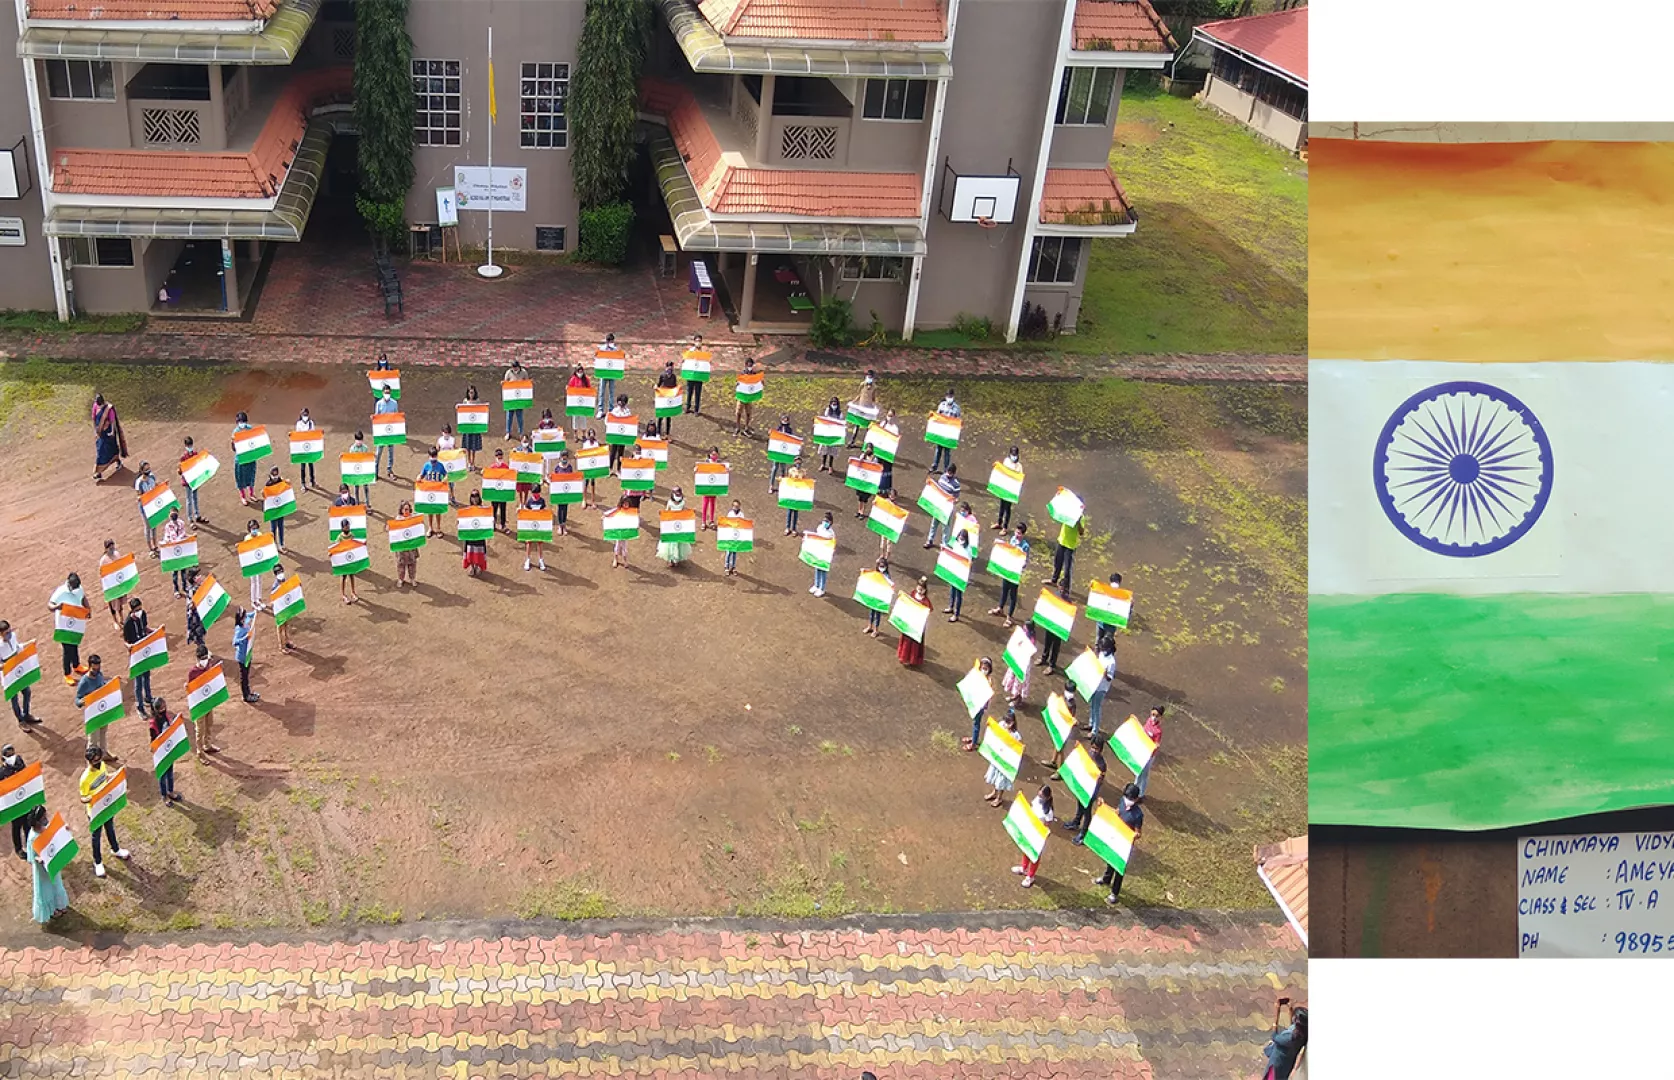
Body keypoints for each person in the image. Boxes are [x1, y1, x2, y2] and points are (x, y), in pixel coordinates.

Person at [78, 745, 130, 880]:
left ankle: (115, 849)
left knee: (110, 828)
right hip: (94, 810)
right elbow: (82, 798)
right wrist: (90, 798)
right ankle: (98, 862)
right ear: (89, 761)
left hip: (106, 805)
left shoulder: (101, 766)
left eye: (99, 759)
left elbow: (105, 777)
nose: (99, 762)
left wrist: (117, 774)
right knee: (96, 836)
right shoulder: (84, 779)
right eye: (96, 760)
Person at [1092, 783, 1145, 904]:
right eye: (1126, 797)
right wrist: (1104, 806)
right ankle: (1106, 879)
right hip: (1115, 838)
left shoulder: (1138, 815)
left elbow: (1138, 832)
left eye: (1130, 798)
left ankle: (1114, 893)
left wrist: (1135, 835)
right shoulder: (1122, 801)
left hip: (1124, 845)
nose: (1127, 800)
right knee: (1110, 860)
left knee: (1119, 869)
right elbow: (1116, 812)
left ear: (1136, 799)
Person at [24, 805, 70, 924]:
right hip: (41, 869)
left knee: (56, 883)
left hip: (51, 863)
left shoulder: (46, 827)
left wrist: (64, 829)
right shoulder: (32, 837)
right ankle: (51, 910)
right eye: (43, 817)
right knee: (46, 889)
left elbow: (55, 833)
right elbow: (31, 855)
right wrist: (38, 858)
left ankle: (59, 904)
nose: (46, 818)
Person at [1063, 734, 1108, 841]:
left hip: (1091, 791)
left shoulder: (1101, 764)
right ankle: (1076, 822)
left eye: (1096, 748)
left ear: (1101, 750)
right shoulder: (1088, 755)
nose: (1093, 750)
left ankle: (1083, 833)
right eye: (1092, 747)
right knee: (1079, 806)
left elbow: (1100, 781)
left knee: (1087, 812)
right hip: (1082, 785)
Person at [1011, 785, 1055, 888]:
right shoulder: (1036, 800)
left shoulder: (1048, 811)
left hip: (1038, 834)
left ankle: (1030, 876)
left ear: (1047, 797)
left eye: (1042, 796)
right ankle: (1023, 868)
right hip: (1030, 829)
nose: (1039, 798)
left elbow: (1047, 825)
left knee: (1035, 855)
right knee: (1026, 849)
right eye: (1039, 795)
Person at [989, 523, 1031, 626]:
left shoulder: (1025, 546)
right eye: (1016, 532)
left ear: (1023, 534)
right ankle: (1000, 608)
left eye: (1019, 533)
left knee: (1013, 594)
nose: (1017, 534)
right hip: (1008, 569)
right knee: (1004, 590)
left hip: (1015, 572)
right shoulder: (1012, 539)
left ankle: (1010, 617)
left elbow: (1025, 560)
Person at [49, 572, 86, 683]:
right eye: (74, 586)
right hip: (64, 625)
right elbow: (49, 605)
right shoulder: (60, 592)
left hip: (75, 622)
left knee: (74, 644)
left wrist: (88, 608)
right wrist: (57, 607)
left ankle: (76, 665)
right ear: (69, 584)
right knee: (67, 650)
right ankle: (67, 673)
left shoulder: (79, 588)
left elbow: (83, 598)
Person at [0, 625, 41, 728]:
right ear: (1, 634)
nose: (9, 634)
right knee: (14, 699)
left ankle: (26, 714)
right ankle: (20, 720)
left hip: (18, 670)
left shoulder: (13, 636)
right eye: (6, 633)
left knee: (27, 692)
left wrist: (29, 643)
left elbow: (18, 647)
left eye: (10, 631)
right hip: (9, 676)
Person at [981, 706, 1020, 805]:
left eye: (1009, 722)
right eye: (1006, 721)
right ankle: (994, 793)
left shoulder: (1015, 735)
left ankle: (999, 798)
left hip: (1006, 760)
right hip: (998, 756)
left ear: (1013, 723)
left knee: (1001, 779)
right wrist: (989, 726)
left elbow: (1017, 748)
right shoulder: (1001, 725)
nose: (1006, 724)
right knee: (994, 776)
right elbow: (994, 731)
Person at [147, 699, 183, 803]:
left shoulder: (166, 716)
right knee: (163, 775)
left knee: (170, 773)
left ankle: (170, 791)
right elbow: (153, 740)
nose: (163, 709)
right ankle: (164, 795)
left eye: (164, 707)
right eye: (161, 708)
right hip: (160, 751)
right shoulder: (153, 724)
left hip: (168, 748)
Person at [120, 598, 153, 711]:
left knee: (147, 676)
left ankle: (148, 698)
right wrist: (128, 646)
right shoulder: (128, 623)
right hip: (135, 653)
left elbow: (145, 628)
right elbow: (125, 641)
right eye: (137, 609)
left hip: (144, 650)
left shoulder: (142, 615)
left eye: (140, 608)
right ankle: (140, 707)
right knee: (138, 681)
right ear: (132, 611)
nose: (140, 611)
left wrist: (155, 632)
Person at [188, 644, 220, 761]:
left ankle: (207, 745)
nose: (204, 660)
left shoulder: (209, 666)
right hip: (199, 705)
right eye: (202, 658)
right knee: (199, 730)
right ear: (197, 658)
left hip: (208, 702)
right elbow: (191, 689)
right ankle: (200, 751)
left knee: (209, 725)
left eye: (206, 657)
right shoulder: (192, 672)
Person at [91, 392, 128, 483]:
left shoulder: (108, 409)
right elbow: (94, 418)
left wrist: (112, 431)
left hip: (108, 433)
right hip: (101, 434)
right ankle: (99, 471)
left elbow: (112, 421)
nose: (98, 404)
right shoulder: (95, 406)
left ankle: (117, 461)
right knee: (100, 451)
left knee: (112, 449)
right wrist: (95, 430)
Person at [1262, 1006, 1307, 1080]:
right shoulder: (1302, 1035)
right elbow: (1293, 1028)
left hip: (1276, 1065)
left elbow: (1274, 1036)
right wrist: (1290, 1009)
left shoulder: (1289, 1037)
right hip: (1287, 1065)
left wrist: (1277, 1013)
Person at [922, 464, 961, 549]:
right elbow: (937, 489)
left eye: (950, 473)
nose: (948, 474)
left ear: (953, 473)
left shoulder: (956, 484)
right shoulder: (942, 477)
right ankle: (930, 540)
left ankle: (945, 544)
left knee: (946, 527)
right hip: (939, 505)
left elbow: (956, 498)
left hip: (947, 508)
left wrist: (952, 500)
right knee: (934, 524)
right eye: (947, 472)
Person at [653, 487, 693, 568]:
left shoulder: (682, 503)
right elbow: (667, 511)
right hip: (671, 525)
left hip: (679, 525)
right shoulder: (670, 502)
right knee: (671, 543)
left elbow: (684, 512)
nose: (678, 495)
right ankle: (671, 559)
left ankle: (677, 559)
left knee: (678, 542)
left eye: (679, 494)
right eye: (676, 494)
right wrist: (663, 514)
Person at [2, 745, 32, 853]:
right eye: (9, 755)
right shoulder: (2, 772)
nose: (12, 756)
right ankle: (18, 849)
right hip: (13, 804)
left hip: (23, 799)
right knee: (16, 827)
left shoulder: (19, 762)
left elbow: (25, 774)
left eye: (12, 753)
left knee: (27, 824)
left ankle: (30, 845)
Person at [943, 518, 973, 623]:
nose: (960, 539)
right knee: (952, 591)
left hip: (961, 573)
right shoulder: (956, 544)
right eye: (960, 537)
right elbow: (952, 553)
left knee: (959, 594)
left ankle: (956, 613)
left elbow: (969, 562)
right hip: (954, 571)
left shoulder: (968, 549)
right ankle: (950, 606)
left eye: (962, 538)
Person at [1087, 639, 1117, 739]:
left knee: (1097, 708)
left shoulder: (1111, 662)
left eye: (1103, 648)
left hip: (1102, 687)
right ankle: (1091, 723)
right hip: (1094, 683)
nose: (1102, 649)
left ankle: (1095, 730)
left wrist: (1105, 674)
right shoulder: (1101, 654)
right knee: (1092, 705)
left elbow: (1109, 678)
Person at [1038, 585, 1071, 673]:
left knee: (1055, 647)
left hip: (1059, 627)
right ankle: (1043, 658)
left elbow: (1069, 615)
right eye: (1061, 588)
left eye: (1064, 589)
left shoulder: (1068, 601)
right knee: (1047, 643)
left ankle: (1052, 665)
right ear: (1059, 587)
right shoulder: (1054, 595)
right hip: (1051, 624)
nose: (1062, 590)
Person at [897, 577, 929, 668]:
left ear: (925, 590)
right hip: (910, 621)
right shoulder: (913, 594)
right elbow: (908, 602)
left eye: (921, 589)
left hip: (917, 624)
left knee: (914, 643)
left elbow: (926, 612)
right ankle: (904, 657)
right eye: (918, 588)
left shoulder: (925, 601)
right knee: (907, 640)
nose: (919, 591)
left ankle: (912, 659)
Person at [1050, 511, 1085, 589]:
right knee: (1057, 562)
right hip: (1061, 540)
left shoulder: (1081, 518)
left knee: (1067, 568)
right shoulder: (1068, 512)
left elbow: (1081, 532)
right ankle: (1054, 581)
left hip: (1070, 545)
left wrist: (1078, 522)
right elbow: (1060, 518)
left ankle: (1066, 587)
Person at [96, 539, 126, 629]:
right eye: (110, 547)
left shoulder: (117, 554)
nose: (112, 548)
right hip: (110, 585)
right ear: (106, 548)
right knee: (112, 603)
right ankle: (115, 621)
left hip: (118, 583)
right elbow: (103, 573)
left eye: (113, 546)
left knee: (120, 602)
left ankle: (121, 618)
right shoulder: (103, 560)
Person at [177, 436, 208, 525]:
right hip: (187, 481)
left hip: (194, 480)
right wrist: (181, 469)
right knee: (189, 500)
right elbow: (180, 471)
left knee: (195, 498)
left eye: (191, 445)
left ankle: (197, 516)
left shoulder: (195, 454)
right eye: (188, 445)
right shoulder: (183, 457)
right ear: (185, 445)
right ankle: (190, 519)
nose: (190, 447)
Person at [418, 448, 448, 538]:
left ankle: (438, 528)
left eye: (434, 456)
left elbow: (446, 474)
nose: (433, 458)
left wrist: (445, 479)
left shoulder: (440, 466)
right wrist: (419, 477)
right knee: (429, 510)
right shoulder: (426, 465)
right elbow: (422, 475)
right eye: (431, 456)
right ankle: (430, 527)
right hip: (429, 491)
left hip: (438, 491)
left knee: (437, 510)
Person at [1002, 623, 1034, 707]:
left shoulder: (1031, 639)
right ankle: (1013, 696)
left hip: (1023, 664)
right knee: (1013, 679)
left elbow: (1028, 650)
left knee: (1019, 682)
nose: (1024, 629)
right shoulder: (1022, 635)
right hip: (1017, 660)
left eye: (1026, 628)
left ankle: (1018, 699)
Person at [132, 462, 161, 556]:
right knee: (148, 526)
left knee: (154, 525)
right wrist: (143, 497)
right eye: (146, 469)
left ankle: (155, 545)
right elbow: (138, 495)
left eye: (149, 468)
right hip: (145, 507)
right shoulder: (139, 482)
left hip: (153, 505)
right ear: (141, 471)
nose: (148, 470)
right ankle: (150, 548)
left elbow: (156, 486)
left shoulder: (152, 477)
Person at [930, 388, 962, 472]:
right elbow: (937, 415)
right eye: (948, 396)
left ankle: (946, 469)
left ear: (953, 396)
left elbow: (958, 420)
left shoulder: (957, 408)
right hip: (941, 431)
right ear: (946, 396)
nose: (949, 397)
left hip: (950, 433)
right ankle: (934, 466)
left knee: (947, 452)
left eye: (951, 396)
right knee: (938, 450)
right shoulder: (942, 405)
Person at [160, 510, 190, 597]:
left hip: (181, 550)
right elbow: (166, 536)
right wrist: (167, 542)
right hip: (173, 552)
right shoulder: (168, 526)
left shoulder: (181, 523)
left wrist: (190, 537)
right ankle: (176, 589)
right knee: (175, 573)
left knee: (184, 571)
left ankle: (185, 587)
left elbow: (183, 534)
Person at [231, 607, 259, 703]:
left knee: (246, 676)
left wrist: (255, 611)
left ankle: (248, 693)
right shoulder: (239, 629)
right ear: (241, 618)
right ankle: (246, 696)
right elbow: (235, 642)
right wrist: (245, 637)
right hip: (242, 657)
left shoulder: (245, 621)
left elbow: (250, 615)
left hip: (247, 654)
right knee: (244, 677)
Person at [1136, 705, 1164, 798]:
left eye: (1156, 716)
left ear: (1160, 717)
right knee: (1138, 771)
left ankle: (1141, 794)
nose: (1154, 717)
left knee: (1144, 774)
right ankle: (1135, 788)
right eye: (1152, 714)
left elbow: (1156, 744)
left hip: (1149, 755)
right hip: (1141, 750)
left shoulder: (1158, 731)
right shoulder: (1148, 721)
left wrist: (1155, 746)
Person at [373, 387, 401, 478]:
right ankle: (375, 472)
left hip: (390, 431)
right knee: (378, 453)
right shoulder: (379, 404)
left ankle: (389, 470)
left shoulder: (394, 403)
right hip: (381, 432)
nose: (387, 394)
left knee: (391, 452)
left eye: (388, 392)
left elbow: (397, 416)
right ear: (382, 393)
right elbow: (376, 417)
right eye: (385, 392)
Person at [231, 411, 258, 504]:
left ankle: (251, 494)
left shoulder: (250, 428)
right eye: (240, 421)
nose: (242, 423)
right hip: (240, 458)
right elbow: (233, 448)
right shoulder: (235, 432)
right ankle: (243, 496)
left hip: (250, 457)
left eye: (243, 421)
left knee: (251, 476)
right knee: (240, 477)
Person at [862, 556, 893, 637]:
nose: (881, 568)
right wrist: (864, 571)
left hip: (880, 598)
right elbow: (871, 573)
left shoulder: (887, 576)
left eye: (883, 566)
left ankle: (876, 629)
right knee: (871, 612)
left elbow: (890, 585)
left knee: (878, 614)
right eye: (880, 566)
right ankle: (869, 626)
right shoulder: (876, 573)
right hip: (874, 596)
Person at [263, 466, 292, 552]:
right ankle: (274, 543)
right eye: (273, 474)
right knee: (273, 527)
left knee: (281, 526)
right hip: (273, 509)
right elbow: (264, 494)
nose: (275, 477)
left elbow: (288, 485)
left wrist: (287, 482)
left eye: (276, 474)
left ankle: (282, 543)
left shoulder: (280, 480)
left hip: (280, 508)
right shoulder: (268, 484)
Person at [846, 370, 877, 448]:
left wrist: (874, 407)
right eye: (868, 375)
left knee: (868, 426)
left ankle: (866, 444)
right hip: (861, 407)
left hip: (869, 409)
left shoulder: (874, 387)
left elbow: (873, 398)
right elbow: (859, 395)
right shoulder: (862, 385)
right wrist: (853, 402)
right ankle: (852, 441)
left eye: (871, 376)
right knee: (857, 424)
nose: (869, 377)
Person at [242, 519, 268, 611]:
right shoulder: (247, 538)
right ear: (249, 529)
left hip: (259, 561)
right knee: (253, 582)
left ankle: (259, 599)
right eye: (253, 528)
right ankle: (253, 601)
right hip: (251, 563)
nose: (255, 530)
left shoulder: (260, 535)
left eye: (256, 528)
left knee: (259, 580)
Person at [993, 445, 1021, 530]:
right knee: (1002, 506)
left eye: (1015, 454)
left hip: (1011, 489)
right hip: (1004, 487)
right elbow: (1003, 470)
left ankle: (1005, 527)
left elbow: (1019, 478)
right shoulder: (1006, 461)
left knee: (1007, 508)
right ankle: (999, 522)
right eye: (1012, 453)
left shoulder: (1019, 466)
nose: (1014, 456)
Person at [463, 489, 489, 578]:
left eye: (476, 496)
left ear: (479, 497)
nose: (475, 498)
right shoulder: (467, 510)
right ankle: (472, 566)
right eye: (473, 496)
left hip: (479, 535)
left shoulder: (483, 510)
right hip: (470, 535)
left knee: (479, 551)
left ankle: (478, 566)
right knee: (470, 551)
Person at [270, 563, 296, 654]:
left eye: (281, 571)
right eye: (279, 572)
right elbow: (273, 599)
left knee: (286, 624)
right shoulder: (275, 586)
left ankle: (287, 641)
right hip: (279, 608)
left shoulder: (284, 580)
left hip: (285, 606)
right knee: (280, 627)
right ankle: (281, 646)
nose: (281, 573)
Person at [521, 489, 549, 573]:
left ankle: (541, 560)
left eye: (537, 493)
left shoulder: (542, 501)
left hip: (539, 525)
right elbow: (526, 513)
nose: (536, 495)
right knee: (529, 542)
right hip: (531, 525)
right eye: (534, 493)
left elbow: (544, 511)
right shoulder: (529, 501)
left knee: (540, 542)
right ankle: (527, 560)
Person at [395, 499, 421, 586]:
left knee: (412, 564)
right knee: (401, 565)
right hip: (402, 547)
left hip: (411, 546)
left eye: (408, 509)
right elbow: (392, 530)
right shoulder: (398, 520)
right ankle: (401, 579)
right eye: (405, 509)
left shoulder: (413, 518)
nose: (407, 511)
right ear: (401, 510)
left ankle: (412, 579)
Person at [808, 511, 835, 596]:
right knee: (817, 568)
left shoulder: (831, 533)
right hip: (818, 551)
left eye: (827, 521)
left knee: (823, 570)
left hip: (825, 554)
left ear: (830, 523)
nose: (825, 523)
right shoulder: (820, 527)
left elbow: (832, 544)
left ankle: (821, 588)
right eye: (824, 521)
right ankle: (816, 585)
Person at [347, 430, 374, 510]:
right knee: (356, 488)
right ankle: (357, 504)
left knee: (366, 488)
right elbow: (349, 460)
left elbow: (367, 459)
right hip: (356, 471)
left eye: (360, 440)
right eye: (358, 440)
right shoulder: (352, 449)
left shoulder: (365, 448)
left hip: (363, 471)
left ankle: (367, 504)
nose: (359, 442)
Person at [852, 444, 880, 520]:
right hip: (862, 479)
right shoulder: (862, 456)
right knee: (860, 497)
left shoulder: (875, 458)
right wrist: (863, 456)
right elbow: (858, 464)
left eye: (869, 449)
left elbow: (874, 467)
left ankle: (862, 512)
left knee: (865, 498)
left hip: (869, 481)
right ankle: (859, 510)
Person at [768, 415, 795, 492]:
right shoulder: (778, 429)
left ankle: (782, 485)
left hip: (784, 452)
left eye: (786, 420)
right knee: (774, 468)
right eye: (784, 420)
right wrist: (771, 433)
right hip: (777, 452)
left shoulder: (789, 430)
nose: (785, 421)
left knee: (783, 469)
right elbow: (774, 437)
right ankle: (771, 485)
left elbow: (791, 440)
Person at [336, 523, 362, 604]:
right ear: (343, 527)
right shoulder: (340, 537)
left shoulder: (351, 535)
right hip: (344, 560)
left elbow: (355, 544)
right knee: (343, 577)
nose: (347, 528)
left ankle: (353, 592)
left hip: (350, 559)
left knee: (351, 576)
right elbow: (336, 547)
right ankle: (343, 595)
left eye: (348, 527)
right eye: (346, 527)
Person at [606, 395, 633, 474]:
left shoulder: (627, 412)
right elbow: (608, 421)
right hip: (615, 435)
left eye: (623, 402)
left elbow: (630, 423)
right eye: (620, 402)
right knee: (613, 452)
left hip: (623, 436)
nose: (621, 404)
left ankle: (618, 469)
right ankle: (610, 468)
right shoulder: (615, 411)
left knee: (621, 452)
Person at [593, 336, 618, 419]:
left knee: (612, 392)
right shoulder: (602, 349)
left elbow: (618, 360)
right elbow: (597, 358)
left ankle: (611, 410)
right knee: (601, 392)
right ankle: (600, 410)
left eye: (612, 341)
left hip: (612, 374)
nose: (611, 342)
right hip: (603, 374)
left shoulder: (615, 349)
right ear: (607, 341)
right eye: (610, 341)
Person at [503, 359, 529, 439]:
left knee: (519, 417)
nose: (515, 369)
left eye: (516, 368)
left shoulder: (524, 372)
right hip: (511, 399)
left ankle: (521, 432)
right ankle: (508, 432)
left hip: (519, 398)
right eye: (513, 368)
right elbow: (505, 383)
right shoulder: (508, 373)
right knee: (509, 417)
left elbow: (527, 383)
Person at [460, 384, 484, 470]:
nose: (471, 394)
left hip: (474, 427)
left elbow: (481, 412)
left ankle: (473, 462)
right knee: (467, 447)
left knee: (473, 447)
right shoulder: (465, 401)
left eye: (473, 392)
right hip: (467, 427)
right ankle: (468, 462)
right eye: (470, 392)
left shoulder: (477, 401)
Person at [734, 356, 759, 436]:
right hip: (742, 396)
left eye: (751, 365)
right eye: (748, 365)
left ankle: (746, 428)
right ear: (745, 365)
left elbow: (757, 383)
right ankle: (737, 427)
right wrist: (737, 384)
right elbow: (737, 382)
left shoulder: (754, 374)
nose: (750, 367)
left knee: (748, 413)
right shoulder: (742, 373)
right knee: (738, 413)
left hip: (749, 397)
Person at [698, 447, 722, 530]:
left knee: (712, 504)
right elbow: (701, 470)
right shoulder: (707, 462)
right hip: (706, 485)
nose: (714, 456)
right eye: (712, 454)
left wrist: (727, 471)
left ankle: (711, 520)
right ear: (709, 454)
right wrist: (696, 469)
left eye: (715, 454)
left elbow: (722, 473)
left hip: (714, 486)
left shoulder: (719, 463)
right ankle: (703, 521)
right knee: (705, 504)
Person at [817, 397, 843, 473]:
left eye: (835, 402)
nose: (834, 404)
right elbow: (825, 420)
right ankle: (823, 464)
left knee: (832, 451)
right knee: (825, 449)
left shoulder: (840, 413)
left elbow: (841, 423)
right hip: (827, 432)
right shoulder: (828, 410)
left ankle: (830, 466)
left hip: (834, 434)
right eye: (832, 402)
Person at [182, 569, 206, 649]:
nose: (200, 577)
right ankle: (202, 651)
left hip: (200, 615)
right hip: (195, 618)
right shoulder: (192, 590)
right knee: (199, 634)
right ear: (194, 579)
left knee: (201, 633)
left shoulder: (199, 587)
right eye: (197, 576)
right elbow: (191, 605)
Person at [294, 408, 318, 489]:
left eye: (306, 415)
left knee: (311, 465)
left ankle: (312, 481)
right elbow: (297, 435)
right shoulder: (298, 424)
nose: (305, 416)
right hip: (302, 448)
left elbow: (313, 434)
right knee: (303, 466)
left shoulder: (311, 423)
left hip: (309, 447)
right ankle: (303, 483)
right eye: (304, 415)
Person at [682, 333, 706, 414]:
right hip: (691, 375)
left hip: (699, 376)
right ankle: (687, 407)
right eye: (696, 341)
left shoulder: (704, 353)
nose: (698, 342)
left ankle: (696, 409)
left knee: (698, 393)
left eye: (699, 341)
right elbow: (684, 360)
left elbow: (706, 363)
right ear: (694, 341)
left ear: (701, 342)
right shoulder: (690, 352)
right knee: (689, 392)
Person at [781, 458, 806, 536]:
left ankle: (794, 529)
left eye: (800, 463)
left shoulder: (803, 472)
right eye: (797, 463)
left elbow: (805, 482)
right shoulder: (791, 470)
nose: (798, 464)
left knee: (795, 512)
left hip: (798, 494)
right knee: (789, 511)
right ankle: (787, 527)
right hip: (791, 492)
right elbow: (788, 480)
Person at [436, 424, 459, 505]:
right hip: (442, 465)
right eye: (445, 432)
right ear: (442, 432)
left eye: (447, 432)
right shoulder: (440, 440)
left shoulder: (452, 440)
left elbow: (455, 450)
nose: (446, 434)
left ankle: (452, 497)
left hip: (450, 465)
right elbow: (437, 451)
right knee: (442, 481)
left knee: (451, 482)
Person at [655, 361, 678, 437]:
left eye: (671, 367)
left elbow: (675, 387)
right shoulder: (662, 375)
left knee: (668, 417)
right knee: (660, 416)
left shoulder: (674, 377)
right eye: (668, 367)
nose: (670, 369)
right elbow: (659, 384)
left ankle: (667, 433)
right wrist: (656, 388)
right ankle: (658, 432)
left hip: (669, 399)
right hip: (663, 398)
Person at [721, 499, 744, 577]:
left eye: (737, 506)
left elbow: (743, 524)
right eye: (734, 506)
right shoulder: (730, 513)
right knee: (728, 552)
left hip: (737, 535)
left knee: (734, 552)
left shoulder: (741, 514)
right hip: (730, 535)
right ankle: (726, 566)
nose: (736, 507)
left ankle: (733, 567)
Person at [610, 494, 633, 570]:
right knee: (617, 546)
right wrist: (605, 517)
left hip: (625, 533)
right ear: (621, 503)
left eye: (627, 504)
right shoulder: (618, 511)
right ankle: (615, 559)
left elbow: (634, 520)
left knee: (624, 548)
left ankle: (625, 560)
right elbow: (610, 514)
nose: (626, 505)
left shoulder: (631, 512)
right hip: (618, 532)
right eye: (624, 503)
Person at [580, 429, 601, 509]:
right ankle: (584, 500)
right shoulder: (585, 444)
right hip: (587, 466)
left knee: (592, 483)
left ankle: (593, 501)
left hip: (593, 465)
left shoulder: (596, 444)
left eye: (593, 434)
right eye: (590, 434)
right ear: (588, 435)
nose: (591, 436)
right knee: (585, 482)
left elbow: (599, 454)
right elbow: (583, 453)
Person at [567, 364, 592, 432]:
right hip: (575, 402)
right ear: (576, 372)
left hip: (583, 402)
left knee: (583, 418)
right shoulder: (573, 379)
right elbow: (569, 388)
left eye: (581, 372)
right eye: (579, 372)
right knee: (575, 418)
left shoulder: (586, 379)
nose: (580, 373)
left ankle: (583, 433)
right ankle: (575, 434)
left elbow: (589, 389)